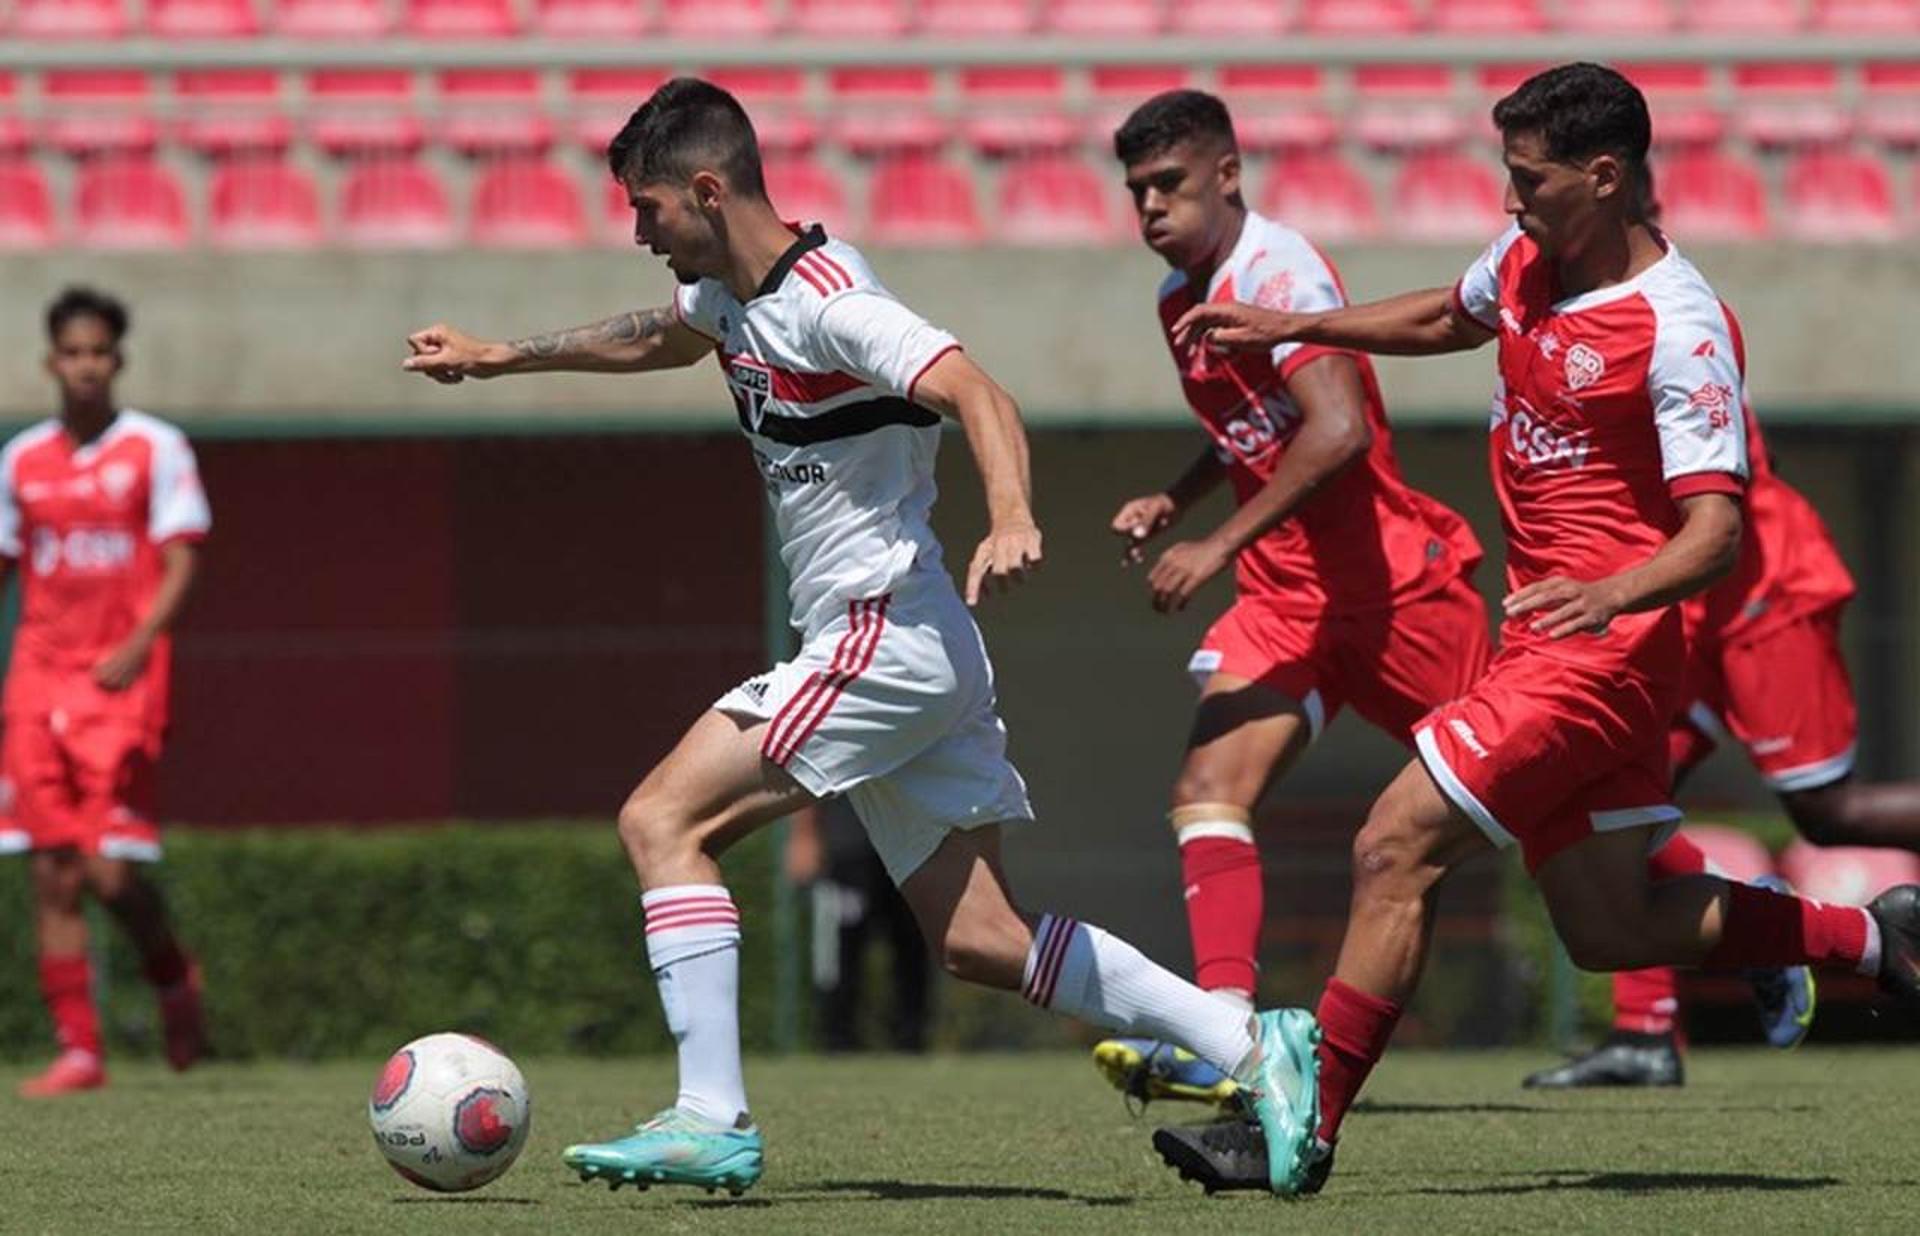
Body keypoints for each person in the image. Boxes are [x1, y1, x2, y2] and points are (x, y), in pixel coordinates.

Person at [401, 77, 1315, 1199]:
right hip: (911, 644)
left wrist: (1016, 515)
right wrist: (503, 356)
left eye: (646, 211)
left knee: (660, 820)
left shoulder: (832, 299)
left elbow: (978, 392)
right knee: (980, 938)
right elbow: (662, 338)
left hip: (880, 634)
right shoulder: (728, 294)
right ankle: (1252, 1048)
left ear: (705, 189)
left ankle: (710, 1116)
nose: (638, 234)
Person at [1150, 62, 1920, 1196]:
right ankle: (1877, 939)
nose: (1511, 201)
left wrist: (1608, 595)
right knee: (1614, 925)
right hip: (1552, 646)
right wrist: (1296, 323)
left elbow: (1714, 532)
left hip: (1597, 657)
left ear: (1605, 178)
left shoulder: (1680, 325)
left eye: (1531, 179)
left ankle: (1295, 1131)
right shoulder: (1526, 261)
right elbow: (1443, 315)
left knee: (1390, 846)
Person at [1087, 90, 1489, 1110]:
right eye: (1136, 191)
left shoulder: (1280, 271)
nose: (1150, 209)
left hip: (1393, 592)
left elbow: (1338, 427)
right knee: (1206, 793)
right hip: (1285, 601)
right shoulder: (1182, 298)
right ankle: (1229, 1035)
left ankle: (1810, 934)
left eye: (1168, 185)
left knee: (1564, 826)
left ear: (1227, 173)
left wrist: (1211, 544)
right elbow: (1251, 425)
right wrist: (1177, 498)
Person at [1527, 379, 1913, 1087]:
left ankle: (1775, 938)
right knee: (1619, 794)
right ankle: (1650, 1029)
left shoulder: (1671, 312)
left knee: (1827, 810)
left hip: (1758, 580)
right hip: (1685, 594)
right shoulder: (1569, 319)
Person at [2, 287, 211, 1098]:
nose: (85, 366)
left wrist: (137, 641)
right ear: (51, 361)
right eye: (72, 352)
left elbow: (183, 555)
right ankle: (80, 1051)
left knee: (109, 872)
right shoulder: (20, 459)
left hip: (117, 680)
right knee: (50, 867)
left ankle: (171, 975)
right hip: (38, 676)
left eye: (99, 352)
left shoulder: (155, 449)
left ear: (116, 361)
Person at [785, 797, 930, 1052]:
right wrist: (804, 834)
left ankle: (911, 1044)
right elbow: (809, 769)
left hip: (911, 844)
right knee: (841, 955)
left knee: (914, 950)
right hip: (847, 847)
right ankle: (837, 1044)